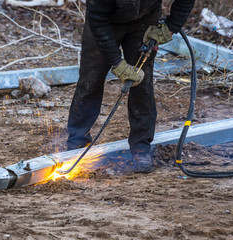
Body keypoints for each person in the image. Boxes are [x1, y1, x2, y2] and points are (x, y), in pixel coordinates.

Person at [67, 0, 195, 173]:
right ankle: (77, 144)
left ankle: (141, 146)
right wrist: (117, 63)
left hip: (144, 22)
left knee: (142, 82)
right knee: (91, 80)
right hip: (104, 23)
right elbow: (97, 19)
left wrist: (171, 26)